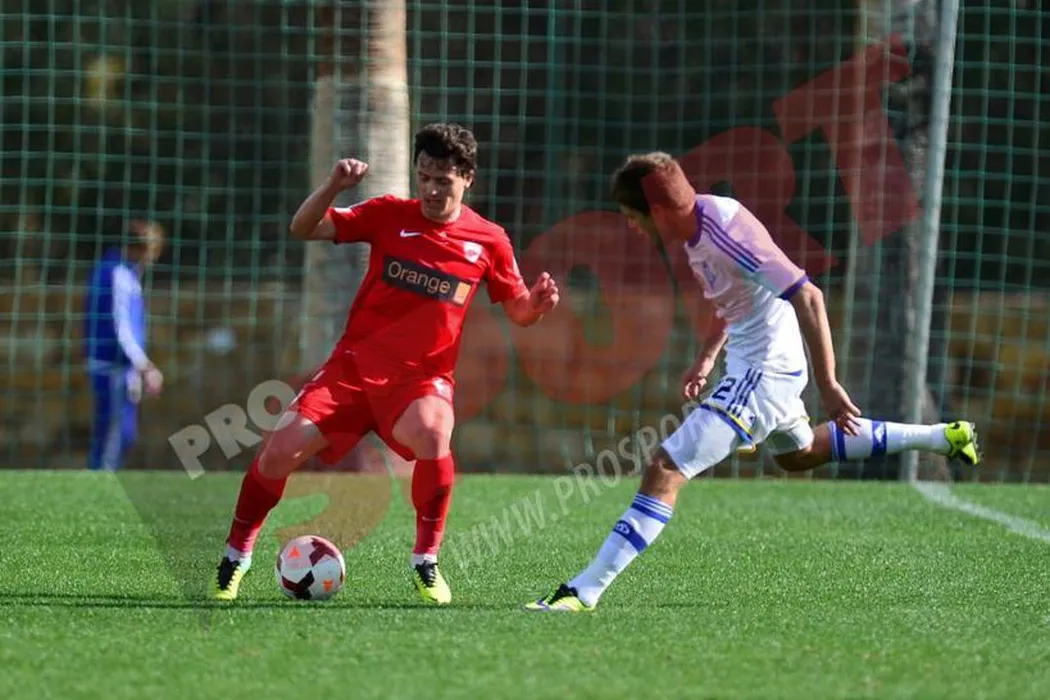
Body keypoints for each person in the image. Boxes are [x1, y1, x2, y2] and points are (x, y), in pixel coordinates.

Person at [524, 152, 981, 613]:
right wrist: (707, 356)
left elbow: (808, 295)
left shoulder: (726, 234)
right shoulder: (697, 224)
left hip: (763, 372)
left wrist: (828, 384)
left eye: (632, 217)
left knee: (666, 466)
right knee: (800, 453)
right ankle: (943, 437)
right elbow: (735, 299)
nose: (632, 227)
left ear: (657, 211)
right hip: (760, 365)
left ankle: (585, 589)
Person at [213, 123, 560, 604]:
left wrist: (536, 306)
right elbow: (304, 228)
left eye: (443, 180)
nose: (432, 190)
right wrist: (334, 185)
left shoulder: (489, 239)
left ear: (467, 178)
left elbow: (519, 309)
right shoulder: (388, 215)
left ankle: (426, 561)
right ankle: (236, 554)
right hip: (351, 372)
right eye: (424, 178)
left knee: (435, 433)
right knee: (279, 450)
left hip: (420, 382)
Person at [82, 220, 166, 471]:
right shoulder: (117, 274)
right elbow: (121, 327)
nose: (152, 259)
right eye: (152, 251)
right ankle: (100, 483)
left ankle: (102, 478)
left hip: (120, 367)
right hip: (111, 366)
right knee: (113, 435)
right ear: (139, 249)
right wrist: (144, 366)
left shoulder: (125, 273)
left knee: (123, 434)